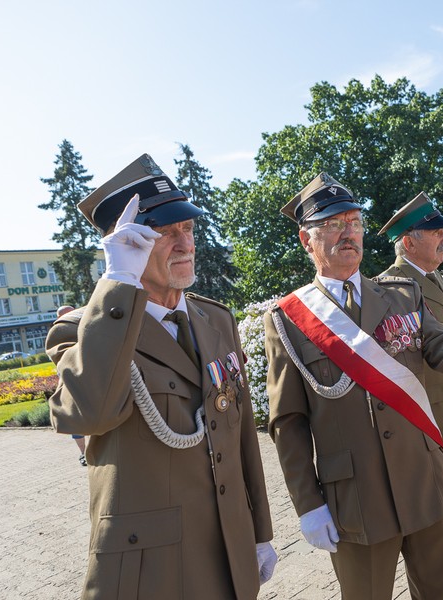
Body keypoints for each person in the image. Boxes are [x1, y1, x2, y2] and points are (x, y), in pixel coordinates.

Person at [264, 173, 443, 600]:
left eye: (354, 222)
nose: (348, 233)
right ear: (306, 240)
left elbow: (442, 344)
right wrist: (308, 504)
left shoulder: (402, 295)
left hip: (425, 484)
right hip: (356, 500)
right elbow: (287, 422)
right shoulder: (288, 320)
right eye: (332, 224)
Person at [46, 154, 276, 599]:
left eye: (187, 229)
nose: (185, 243)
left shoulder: (215, 319)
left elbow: (240, 431)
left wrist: (259, 528)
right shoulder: (84, 329)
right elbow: (86, 413)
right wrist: (119, 284)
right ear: (126, 244)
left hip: (228, 552)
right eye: (165, 233)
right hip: (151, 569)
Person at [376, 192, 443, 599]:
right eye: (436, 232)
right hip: (427, 423)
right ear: (408, 242)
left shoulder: (432, 279)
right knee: (438, 517)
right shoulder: (391, 289)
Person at [56, 304, 87, 466]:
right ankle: (84, 453)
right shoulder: (58, 335)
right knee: (75, 420)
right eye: (62, 316)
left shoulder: (89, 327)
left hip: (91, 381)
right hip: (71, 383)